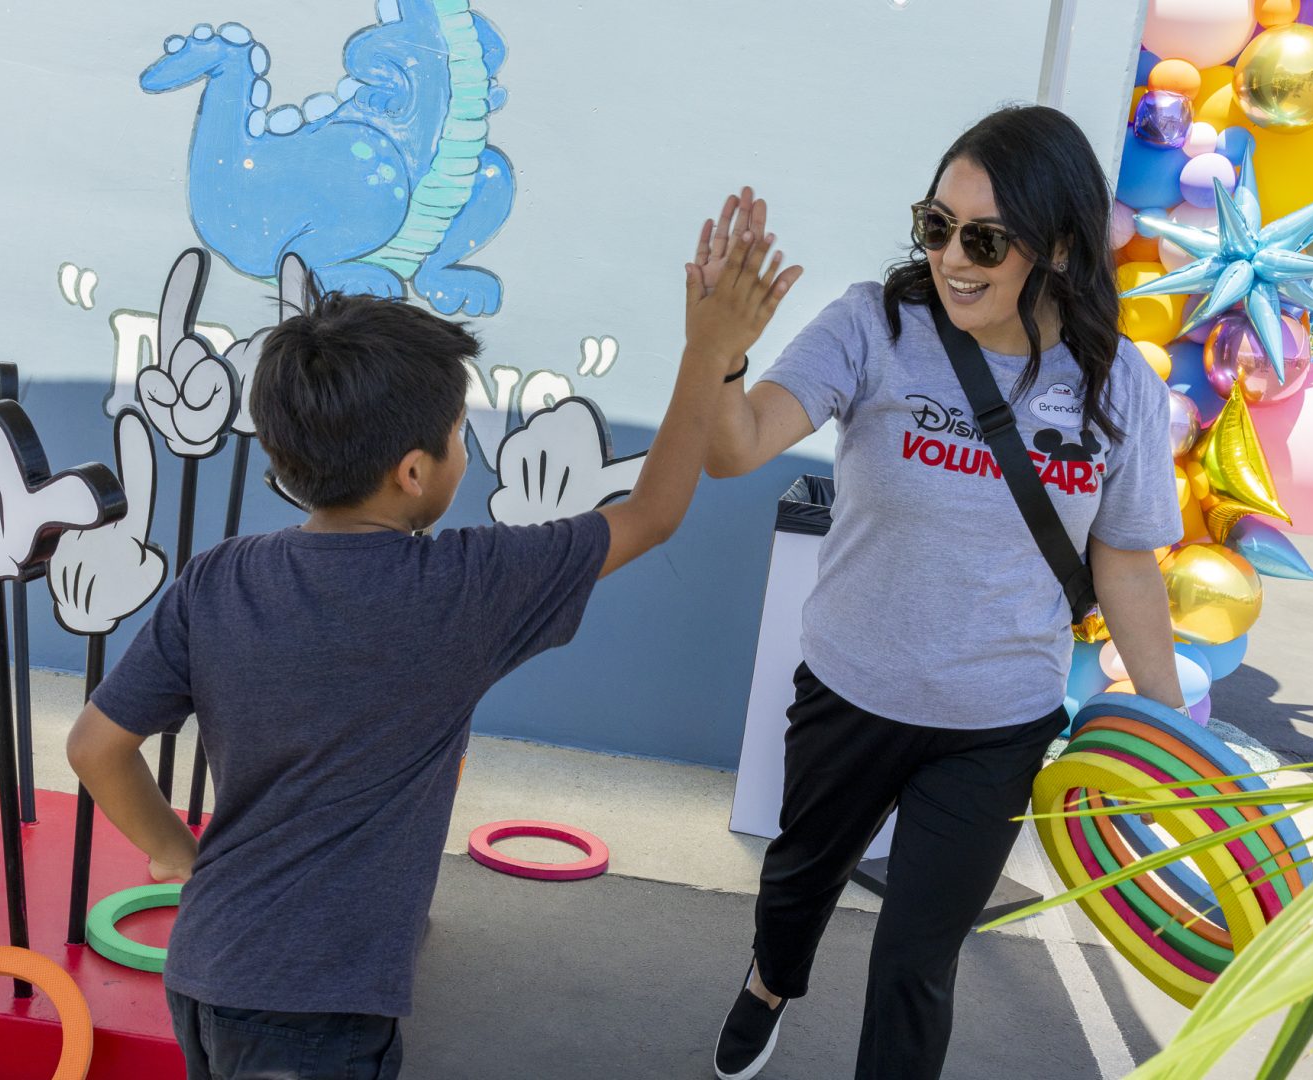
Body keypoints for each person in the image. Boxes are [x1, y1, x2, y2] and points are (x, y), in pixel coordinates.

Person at [66, 223, 802, 1077]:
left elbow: (95, 747)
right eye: (460, 434)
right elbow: (652, 513)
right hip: (323, 1009)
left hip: (204, 971)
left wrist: (178, 856)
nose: (467, 450)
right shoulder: (466, 587)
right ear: (413, 472)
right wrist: (708, 347)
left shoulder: (218, 577)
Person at [705, 105, 1185, 1080]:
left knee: (917, 964)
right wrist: (718, 351)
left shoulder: (1113, 384)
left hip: (995, 722)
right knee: (793, 890)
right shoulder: (872, 326)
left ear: (1054, 247)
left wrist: (1176, 738)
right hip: (851, 689)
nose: (950, 259)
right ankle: (768, 981)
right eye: (935, 226)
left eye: (983, 239)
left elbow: (1125, 562)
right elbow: (736, 445)